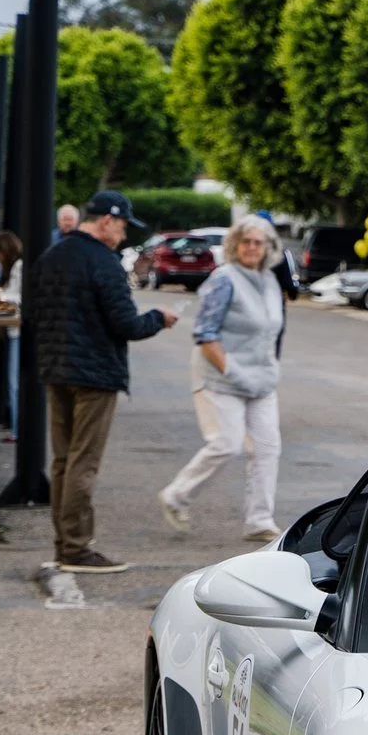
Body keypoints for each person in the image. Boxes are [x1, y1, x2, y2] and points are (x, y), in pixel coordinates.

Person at [29, 189, 176, 573]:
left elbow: (33, 312)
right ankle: (76, 548)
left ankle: (65, 543)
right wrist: (159, 317)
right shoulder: (105, 263)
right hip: (95, 374)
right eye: (123, 225)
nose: (124, 235)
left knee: (62, 460)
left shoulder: (52, 256)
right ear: (107, 220)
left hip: (55, 369)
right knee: (83, 462)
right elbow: (127, 324)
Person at [159, 216, 285, 542]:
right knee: (226, 444)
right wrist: (230, 369)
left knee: (268, 447)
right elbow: (205, 334)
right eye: (246, 242)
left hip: (261, 379)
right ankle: (177, 494)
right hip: (221, 375)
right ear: (234, 245)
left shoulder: (269, 281)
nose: (252, 248)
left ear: (268, 247)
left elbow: (271, 331)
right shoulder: (223, 280)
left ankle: (259, 520)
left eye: (259, 242)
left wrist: (269, 368)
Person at [0, 230, 22, 432]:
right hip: (11, 329)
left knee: (13, 381)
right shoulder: (12, 267)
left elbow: (18, 297)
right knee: (11, 380)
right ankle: (15, 425)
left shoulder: (18, 266)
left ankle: (17, 428)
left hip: (16, 329)